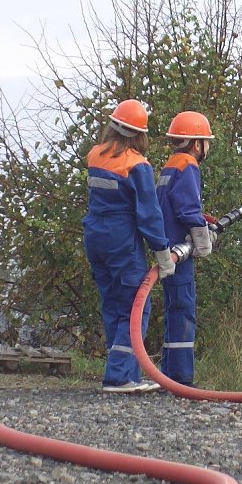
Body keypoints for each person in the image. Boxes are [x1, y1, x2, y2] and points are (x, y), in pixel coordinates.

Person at [83, 99, 176, 394]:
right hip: (120, 240)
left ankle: (124, 373)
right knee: (136, 305)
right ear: (139, 134)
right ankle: (120, 377)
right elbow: (149, 214)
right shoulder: (137, 164)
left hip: (94, 237)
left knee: (113, 304)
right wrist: (163, 253)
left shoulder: (95, 155)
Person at [156, 111, 217, 387]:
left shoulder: (170, 166)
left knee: (173, 309)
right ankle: (181, 378)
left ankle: (169, 373)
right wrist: (202, 238)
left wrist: (205, 221)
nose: (207, 148)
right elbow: (187, 209)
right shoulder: (189, 165)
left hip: (166, 248)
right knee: (183, 311)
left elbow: (171, 205)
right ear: (196, 144)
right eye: (206, 141)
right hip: (179, 252)